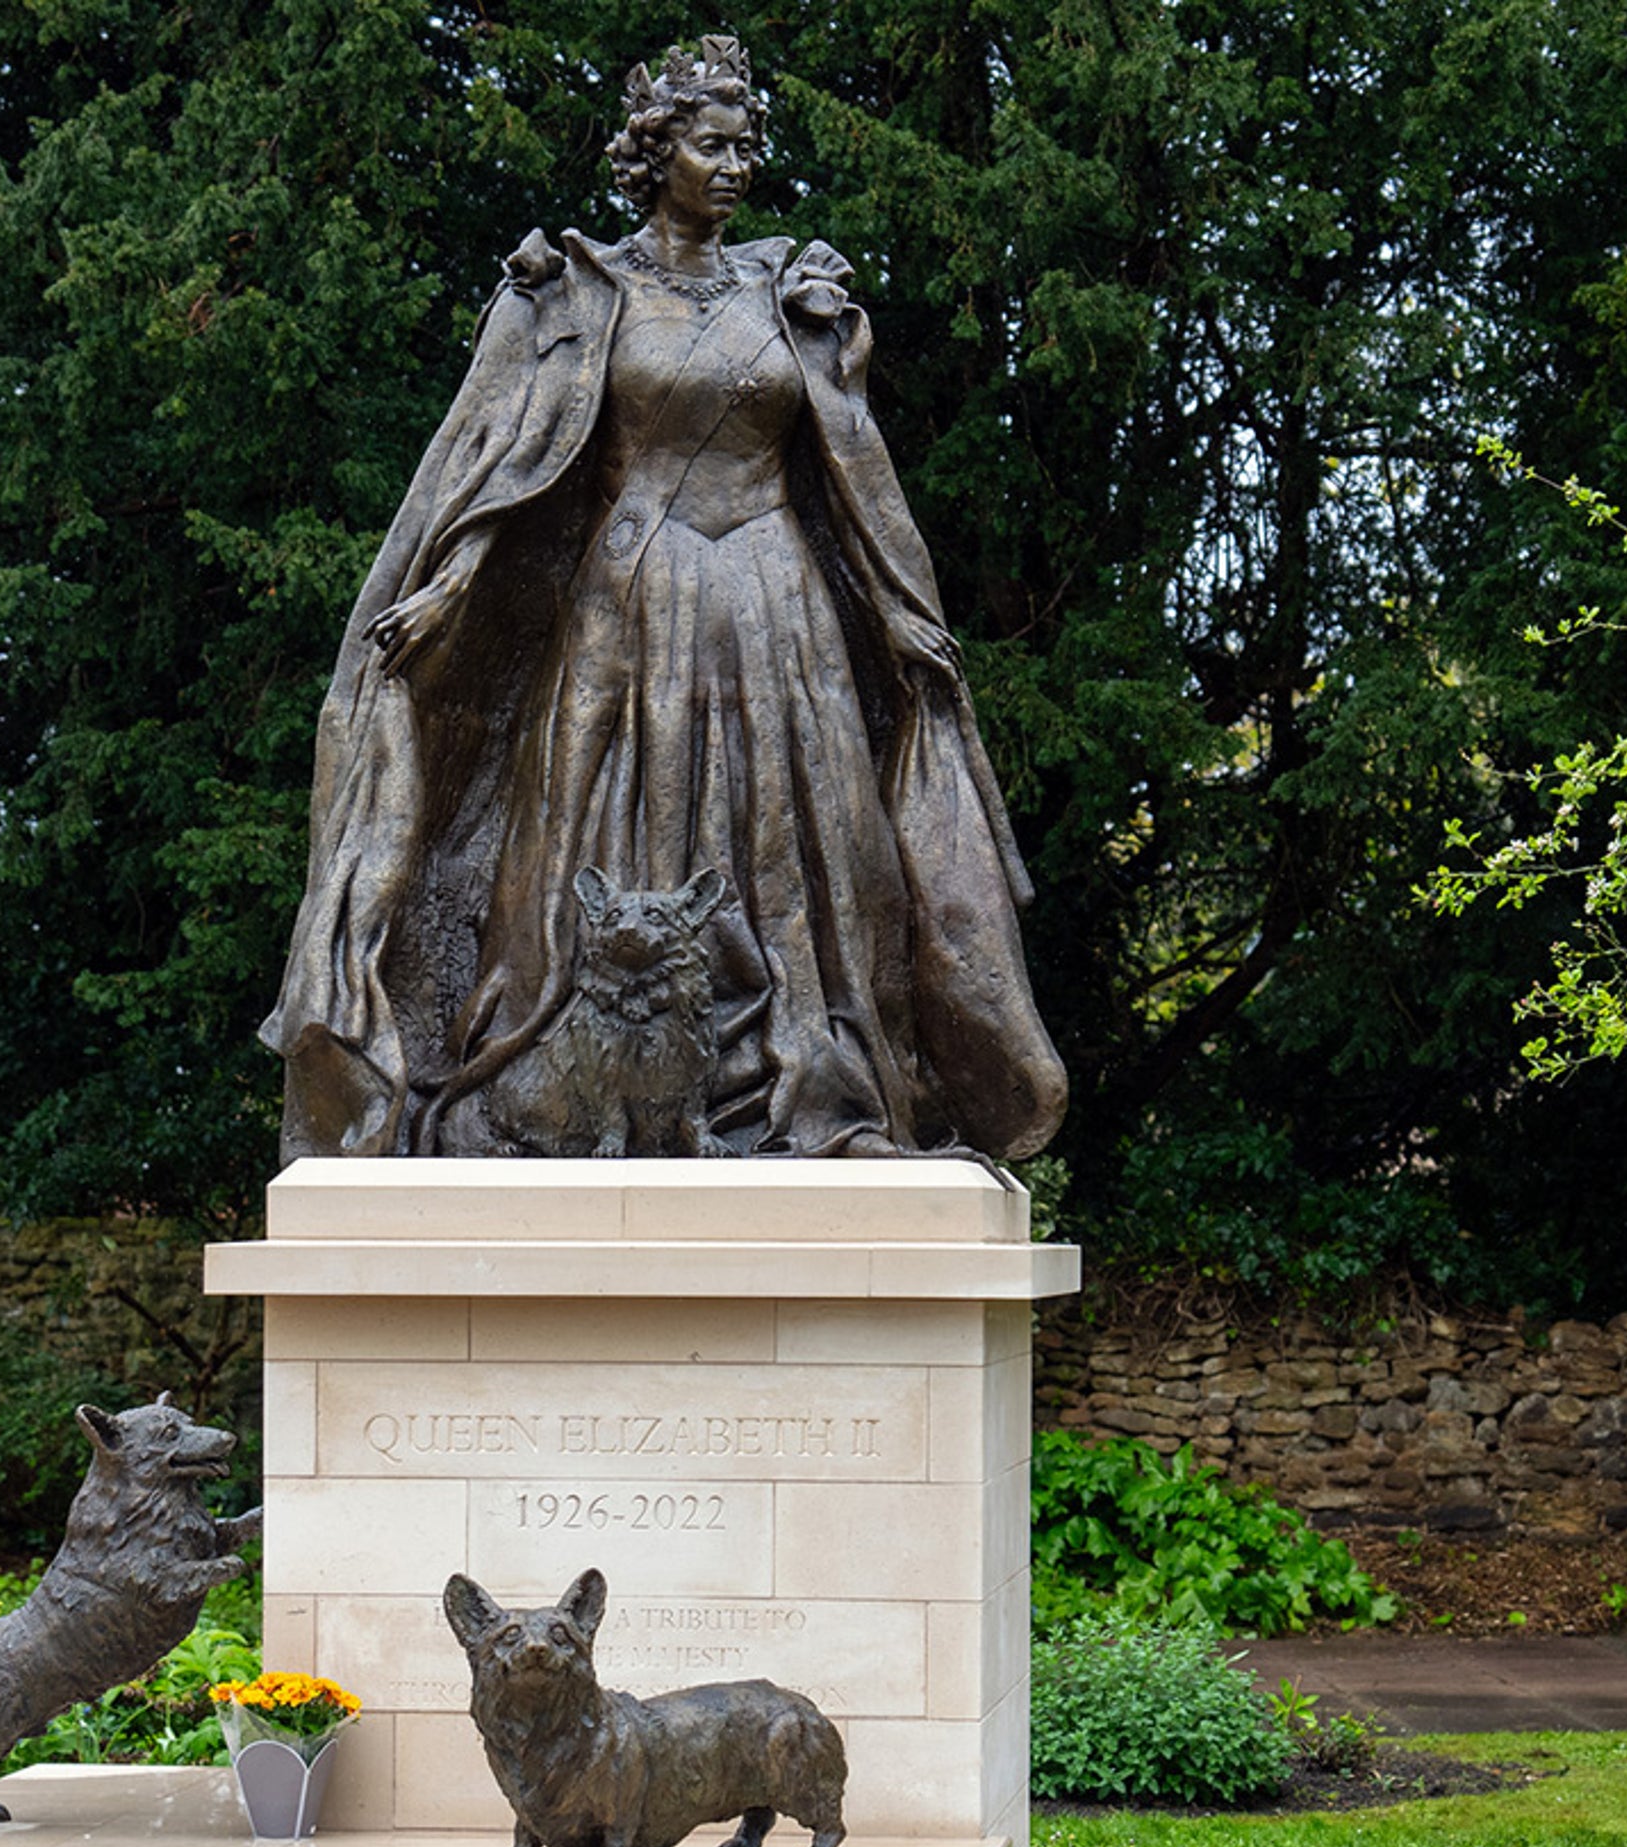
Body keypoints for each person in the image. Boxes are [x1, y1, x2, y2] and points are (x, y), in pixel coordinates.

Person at [262, 36, 1065, 1164]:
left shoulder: (792, 291)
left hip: (778, 597)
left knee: (818, 847)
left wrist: (894, 603)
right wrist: (442, 586)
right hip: (626, 600)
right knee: (590, 838)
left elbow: (848, 468)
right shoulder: (577, 289)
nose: (733, 166)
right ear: (653, 156)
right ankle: (578, 1088)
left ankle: (810, 1087)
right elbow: (493, 462)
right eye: (708, 143)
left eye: (745, 147)